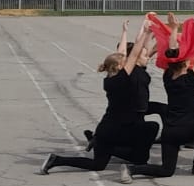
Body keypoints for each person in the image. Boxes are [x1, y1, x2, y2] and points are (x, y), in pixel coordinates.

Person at [42, 22, 158, 175]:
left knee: (98, 164)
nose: (127, 62)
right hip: (117, 130)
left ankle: (57, 160)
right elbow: (134, 53)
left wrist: (127, 32)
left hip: (106, 129)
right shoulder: (122, 79)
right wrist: (146, 33)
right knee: (152, 127)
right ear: (119, 66)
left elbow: (123, 53)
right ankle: (122, 151)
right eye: (125, 62)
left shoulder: (110, 79)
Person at [122, 26, 194, 184]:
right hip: (189, 129)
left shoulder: (168, 78)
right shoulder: (190, 79)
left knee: (166, 170)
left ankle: (132, 169)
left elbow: (173, 54)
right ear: (186, 65)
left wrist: (174, 29)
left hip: (170, 131)